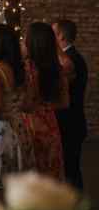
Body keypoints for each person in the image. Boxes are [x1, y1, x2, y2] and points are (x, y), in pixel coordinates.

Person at [0, 24, 35, 200]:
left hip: (0, 133)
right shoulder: (21, 70)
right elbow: (28, 104)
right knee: (18, 193)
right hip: (21, 129)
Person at [20, 22, 69, 180]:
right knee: (51, 175)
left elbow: (26, 104)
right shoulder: (58, 69)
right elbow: (65, 102)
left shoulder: (27, 68)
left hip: (30, 127)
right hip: (51, 126)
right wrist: (46, 107)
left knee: (33, 178)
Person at [52, 19, 88, 190]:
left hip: (70, 123)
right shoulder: (70, 57)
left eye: (53, 33)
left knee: (71, 170)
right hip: (71, 121)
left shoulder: (72, 60)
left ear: (60, 35)